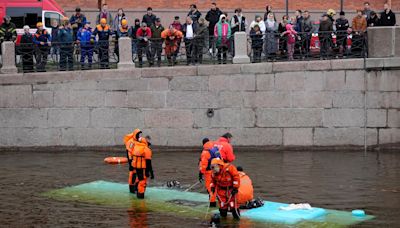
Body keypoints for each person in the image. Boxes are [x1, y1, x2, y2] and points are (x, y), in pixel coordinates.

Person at [124, 129, 154, 199]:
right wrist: (130, 163)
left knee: (138, 178)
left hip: (136, 164)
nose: (139, 136)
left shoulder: (137, 144)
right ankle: (136, 192)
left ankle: (136, 190)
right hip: (135, 163)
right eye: (138, 134)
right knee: (137, 178)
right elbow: (128, 153)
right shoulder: (132, 143)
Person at [199, 138, 220, 207]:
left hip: (209, 172)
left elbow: (204, 164)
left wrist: (201, 173)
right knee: (217, 186)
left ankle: (212, 203)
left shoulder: (205, 151)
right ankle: (221, 200)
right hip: (217, 170)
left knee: (210, 188)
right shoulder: (215, 148)